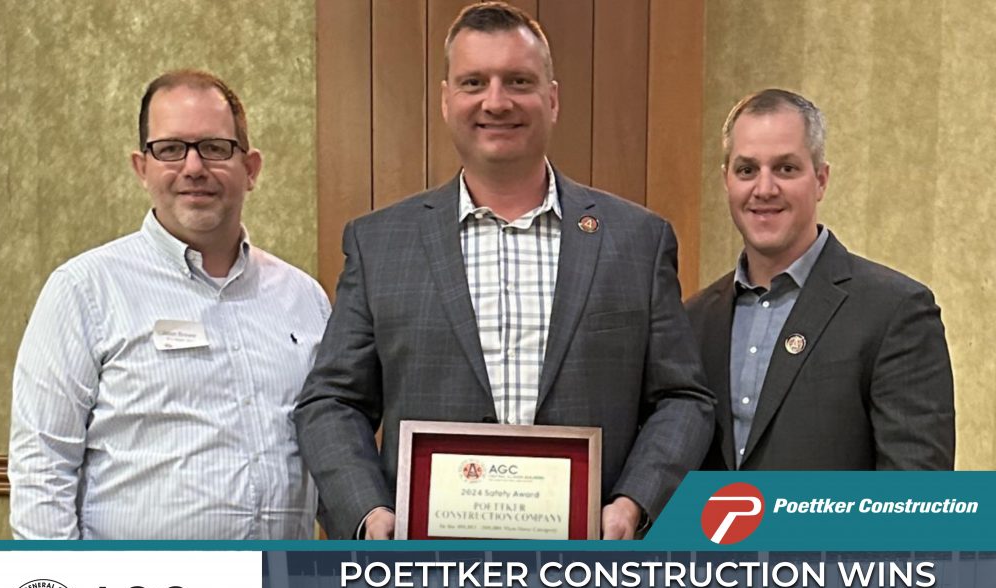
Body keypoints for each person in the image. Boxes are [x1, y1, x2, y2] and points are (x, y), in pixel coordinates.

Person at [296, 1, 714, 540]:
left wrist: (633, 503)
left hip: (589, 578)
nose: (496, 102)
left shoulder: (637, 239)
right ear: (446, 101)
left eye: (518, 81)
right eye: (474, 82)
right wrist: (369, 513)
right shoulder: (380, 244)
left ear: (553, 99)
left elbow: (683, 399)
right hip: (426, 579)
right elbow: (332, 401)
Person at [8, 70, 330, 539]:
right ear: (142, 168)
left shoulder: (305, 298)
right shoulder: (84, 289)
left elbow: (326, 446)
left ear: (251, 168)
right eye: (170, 149)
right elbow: (42, 465)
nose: (194, 167)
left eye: (215, 148)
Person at [686, 88, 955, 471]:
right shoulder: (694, 320)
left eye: (786, 168)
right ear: (726, 181)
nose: (764, 189)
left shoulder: (895, 311)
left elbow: (915, 499)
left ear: (821, 180)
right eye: (747, 170)